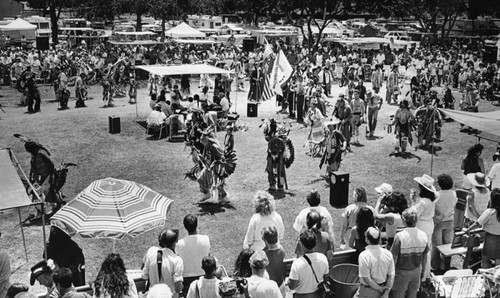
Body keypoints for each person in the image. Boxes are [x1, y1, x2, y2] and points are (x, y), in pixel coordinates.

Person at [390, 209, 429, 298]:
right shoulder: (423, 235)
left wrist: (391, 274)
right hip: (416, 270)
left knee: (398, 295)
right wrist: (423, 272)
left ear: (404, 220)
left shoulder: (399, 237)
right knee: (412, 295)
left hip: (401, 272)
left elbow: (394, 258)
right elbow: (425, 256)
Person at [409, 174, 437, 280]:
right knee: (427, 250)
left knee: (420, 251)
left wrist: (412, 202)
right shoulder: (430, 200)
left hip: (422, 226)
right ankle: (426, 274)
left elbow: (412, 213)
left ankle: (421, 275)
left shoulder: (423, 202)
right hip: (429, 224)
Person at [142, 229, 183, 298]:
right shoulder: (177, 260)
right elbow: (178, 288)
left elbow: (144, 276)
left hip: (153, 295)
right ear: (176, 241)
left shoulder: (151, 251)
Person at [287, 230, 329, 297]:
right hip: (318, 295)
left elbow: (291, 286)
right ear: (315, 243)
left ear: (301, 244)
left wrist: (288, 281)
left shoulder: (297, 263)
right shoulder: (323, 258)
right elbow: (326, 278)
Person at [176, 214, 211, 296]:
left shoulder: (179, 244)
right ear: (196, 225)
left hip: (187, 280)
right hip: (204, 276)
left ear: (185, 227)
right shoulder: (205, 239)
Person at [466, 188, 500, 268]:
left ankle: (486, 273)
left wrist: (468, 229)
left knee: (485, 259)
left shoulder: (489, 211)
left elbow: (478, 223)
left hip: (490, 238)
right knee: (498, 259)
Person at [357, 227, 395, 298]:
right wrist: (386, 293)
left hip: (367, 292)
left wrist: (379, 288)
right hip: (383, 291)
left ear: (367, 240)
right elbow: (391, 276)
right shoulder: (388, 254)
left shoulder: (363, 256)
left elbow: (367, 279)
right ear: (379, 239)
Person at [431, 174, 457, 272]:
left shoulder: (436, 194)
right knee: (447, 244)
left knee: (437, 246)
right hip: (449, 221)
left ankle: (434, 266)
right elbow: (454, 203)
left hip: (438, 222)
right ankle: (444, 265)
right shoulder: (453, 194)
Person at [262, 226, 286, 297]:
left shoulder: (263, 254)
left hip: (269, 287)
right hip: (281, 285)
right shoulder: (281, 250)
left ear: (265, 240)